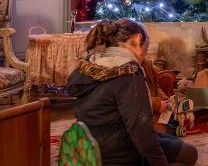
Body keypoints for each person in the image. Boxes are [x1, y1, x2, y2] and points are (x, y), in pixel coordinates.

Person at [66, 19, 198, 166]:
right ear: (137, 38)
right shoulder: (128, 75)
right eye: (146, 46)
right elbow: (141, 133)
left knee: (173, 141)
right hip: (119, 155)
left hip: (92, 147)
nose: (145, 52)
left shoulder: (90, 65)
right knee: (190, 153)